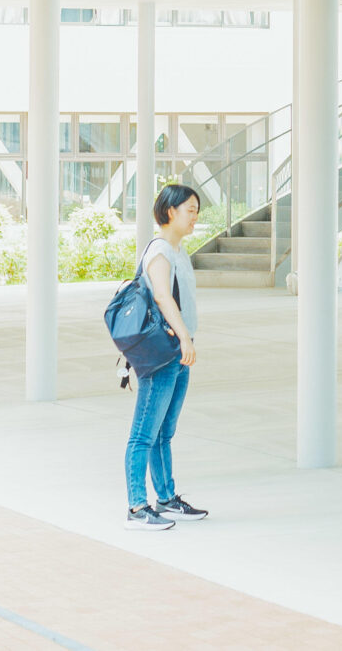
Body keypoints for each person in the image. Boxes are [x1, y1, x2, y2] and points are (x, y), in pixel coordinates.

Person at [125, 182, 208, 530]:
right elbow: (162, 296)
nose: (195, 218)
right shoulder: (160, 251)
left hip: (177, 353)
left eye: (196, 211)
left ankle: (166, 498)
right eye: (190, 210)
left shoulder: (179, 251)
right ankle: (136, 508)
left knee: (163, 432)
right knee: (144, 433)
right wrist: (185, 338)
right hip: (163, 353)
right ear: (170, 211)